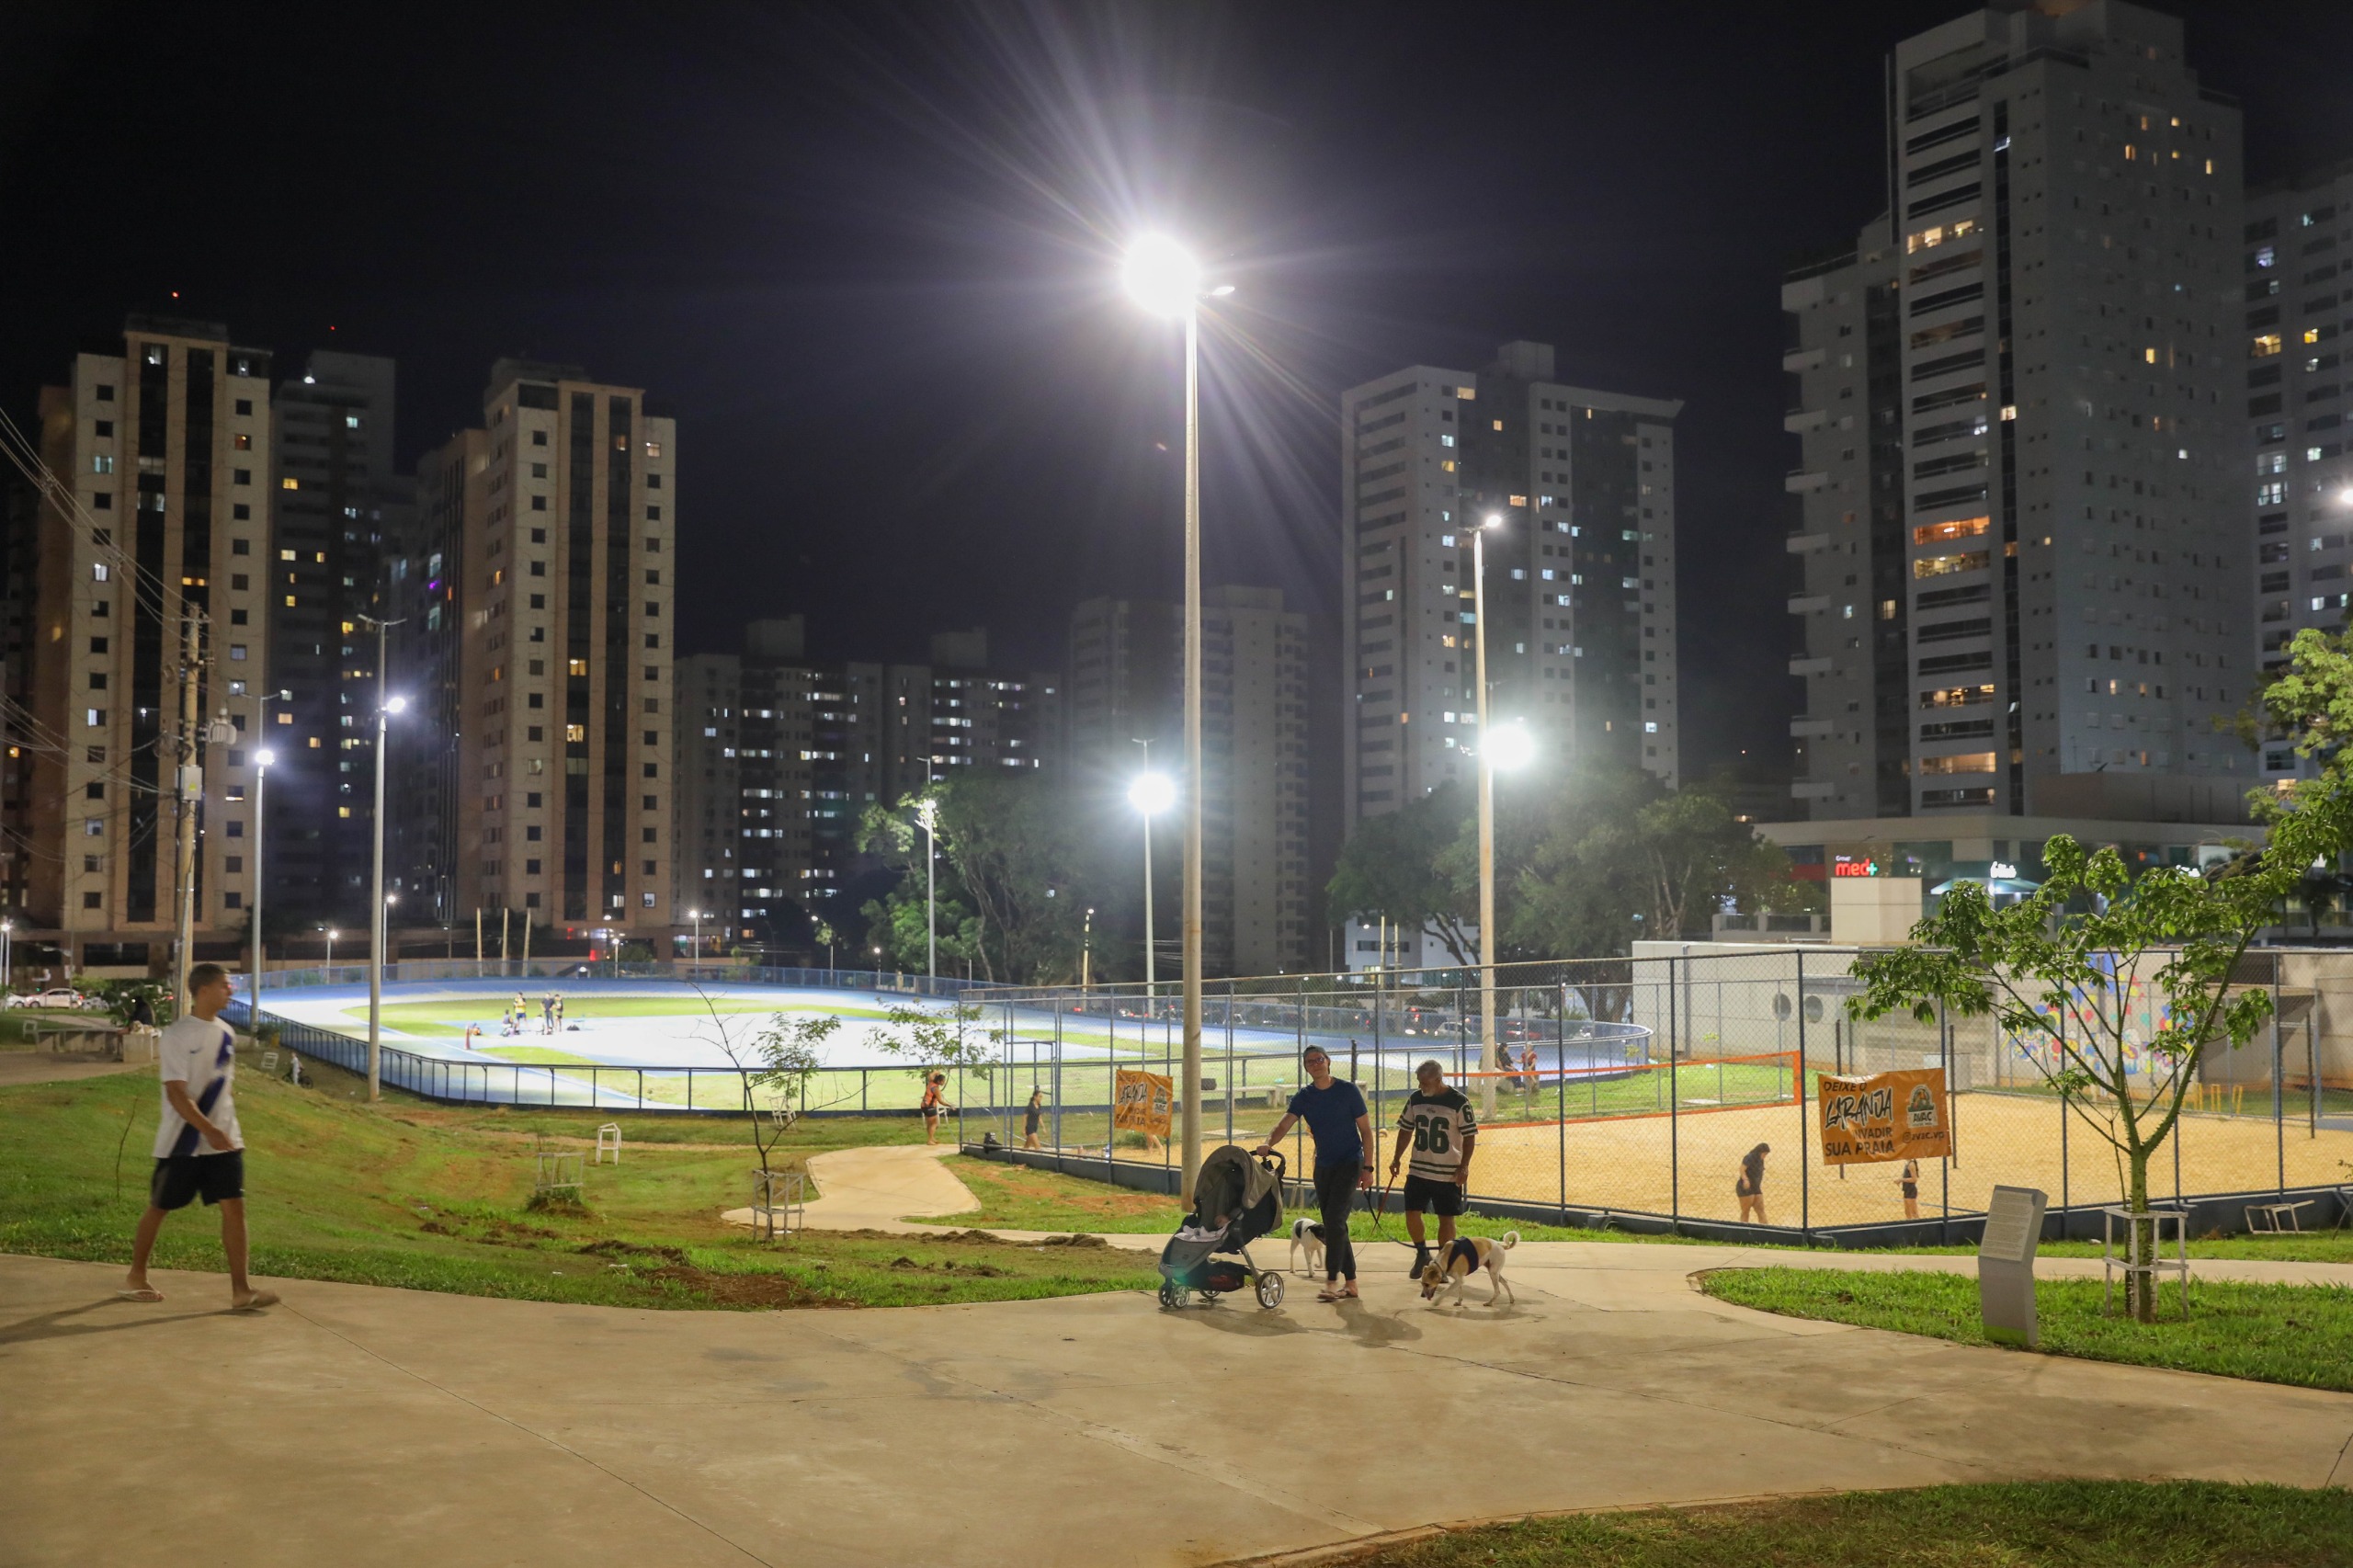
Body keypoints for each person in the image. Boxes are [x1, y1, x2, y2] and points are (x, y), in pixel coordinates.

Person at [119, 964, 278, 1311]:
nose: (230, 991)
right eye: (225, 985)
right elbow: (177, 1093)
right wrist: (208, 1129)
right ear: (203, 990)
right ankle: (136, 1275)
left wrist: (223, 1132)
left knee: (235, 1208)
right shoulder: (177, 1035)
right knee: (160, 1208)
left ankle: (241, 1290)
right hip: (182, 1144)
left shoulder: (226, 1032)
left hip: (224, 1141)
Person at [1253, 1046, 1373, 1301]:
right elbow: (1284, 1123)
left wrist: (1368, 1168)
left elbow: (1367, 1132)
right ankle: (1351, 1284)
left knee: (1334, 1219)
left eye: (1319, 1059)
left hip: (1350, 1162)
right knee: (1334, 1223)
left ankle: (1331, 1282)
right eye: (1310, 1062)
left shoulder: (1348, 1091)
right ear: (1306, 1068)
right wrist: (1269, 1143)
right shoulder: (1305, 1097)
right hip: (1324, 1166)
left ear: (1328, 1062)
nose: (1316, 1064)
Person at [1387, 1060, 1477, 1279]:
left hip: (1447, 1172)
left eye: (1425, 1082)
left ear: (1438, 1079)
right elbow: (1406, 1130)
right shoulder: (1415, 1099)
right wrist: (1397, 1158)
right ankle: (1421, 1253)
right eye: (1419, 1082)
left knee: (1446, 1218)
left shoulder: (1459, 1101)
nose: (1421, 1087)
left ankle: (1444, 1263)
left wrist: (1464, 1166)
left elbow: (1469, 1137)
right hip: (1418, 1169)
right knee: (1411, 1212)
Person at [1735, 1142, 1770, 1225]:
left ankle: (1766, 1231)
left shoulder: (1760, 1159)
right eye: (1764, 1154)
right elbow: (1742, 1169)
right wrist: (1746, 1180)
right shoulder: (1750, 1157)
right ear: (1760, 1152)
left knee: (1761, 1211)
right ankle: (1744, 1231)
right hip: (1746, 1187)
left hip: (1756, 1187)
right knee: (1745, 1211)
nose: (1765, 1156)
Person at [920, 1072, 949, 1145]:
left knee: (930, 1124)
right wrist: (950, 1105)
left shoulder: (931, 1083)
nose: (944, 1082)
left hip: (924, 1106)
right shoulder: (936, 1089)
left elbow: (930, 1076)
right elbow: (941, 1101)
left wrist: (936, 1071)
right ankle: (930, 1140)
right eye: (943, 1081)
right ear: (939, 1081)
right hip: (930, 1107)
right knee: (935, 1124)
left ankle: (932, 1138)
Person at [1897, 1156, 1921, 1221]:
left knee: (1914, 1212)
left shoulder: (1911, 1164)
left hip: (1911, 1190)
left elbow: (1914, 1179)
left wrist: (1901, 1180)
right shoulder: (1908, 1163)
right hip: (1907, 1189)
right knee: (1907, 1212)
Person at [1022, 1087, 1044, 1151]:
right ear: (1035, 1097)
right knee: (1037, 1146)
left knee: (1026, 1146)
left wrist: (1043, 1127)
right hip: (1030, 1128)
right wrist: (1023, 1129)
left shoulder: (1039, 1105)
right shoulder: (1030, 1106)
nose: (1041, 1098)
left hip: (1035, 1127)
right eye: (1040, 1096)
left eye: (1041, 1097)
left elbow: (1039, 1117)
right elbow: (1024, 1117)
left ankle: (1021, 1155)